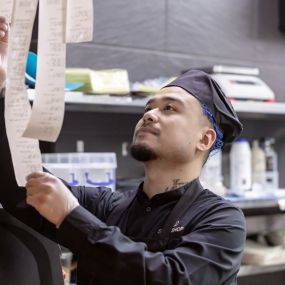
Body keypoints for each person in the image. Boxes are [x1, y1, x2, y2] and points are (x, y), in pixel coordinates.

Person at [0, 16, 246, 285]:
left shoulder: (221, 220)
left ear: (205, 139)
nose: (150, 114)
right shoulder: (108, 207)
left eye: (169, 108)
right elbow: (21, 188)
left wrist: (72, 218)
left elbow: (170, 277)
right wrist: (4, 86)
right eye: (148, 108)